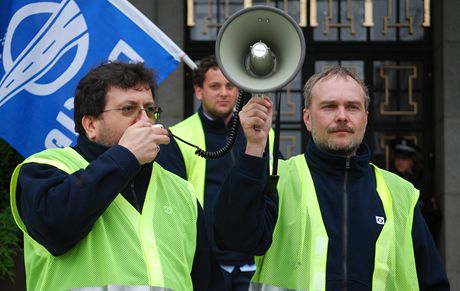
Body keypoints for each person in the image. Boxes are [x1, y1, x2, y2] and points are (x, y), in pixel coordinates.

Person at [214, 66, 450, 290]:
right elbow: (233, 237)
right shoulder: (280, 179)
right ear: (307, 118)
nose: (342, 116)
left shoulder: (402, 193)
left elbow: (433, 282)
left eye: (352, 107)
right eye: (329, 107)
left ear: (365, 119)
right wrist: (254, 148)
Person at [10, 61, 224, 291]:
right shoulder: (44, 168)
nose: (144, 121)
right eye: (128, 109)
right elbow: (57, 228)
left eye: (150, 110)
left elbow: (207, 281)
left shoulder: (181, 190)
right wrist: (126, 156)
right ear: (91, 124)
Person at [157, 55, 276, 291]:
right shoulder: (179, 137)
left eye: (230, 86)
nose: (224, 92)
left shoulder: (262, 134)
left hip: (254, 261)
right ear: (198, 91)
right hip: (207, 262)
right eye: (215, 86)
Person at [390, 137, 442, 246]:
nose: (399, 162)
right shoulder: (388, 180)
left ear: (412, 161)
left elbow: (432, 215)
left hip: (415, 239)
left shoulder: (421, 184)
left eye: (404, 158)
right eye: (397, 158)